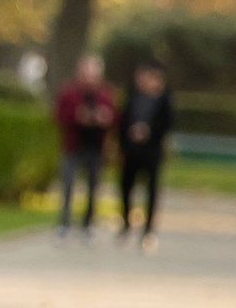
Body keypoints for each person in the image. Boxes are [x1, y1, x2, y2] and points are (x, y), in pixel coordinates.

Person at [53, 52, 116, 232]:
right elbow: (59, 115)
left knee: (93, 187)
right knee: (68, 184)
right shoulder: (69, 92)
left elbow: (115, 118)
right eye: (85, 73)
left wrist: (104, 118)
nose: (88, 78)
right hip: (73, 145)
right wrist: (78, 116)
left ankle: (87, 224)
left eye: (92, 74)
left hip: (95, 147)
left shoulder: (105, 95)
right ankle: (64, 222)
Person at [116, 54, 174, 245]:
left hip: (151, 151)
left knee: (151, 190)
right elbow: (122, 120)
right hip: (131, 150)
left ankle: (148, 229)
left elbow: (168, 123)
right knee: (126, 187)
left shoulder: (163, 99)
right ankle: (126, 224)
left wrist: (149, 131)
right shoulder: (132, 95)